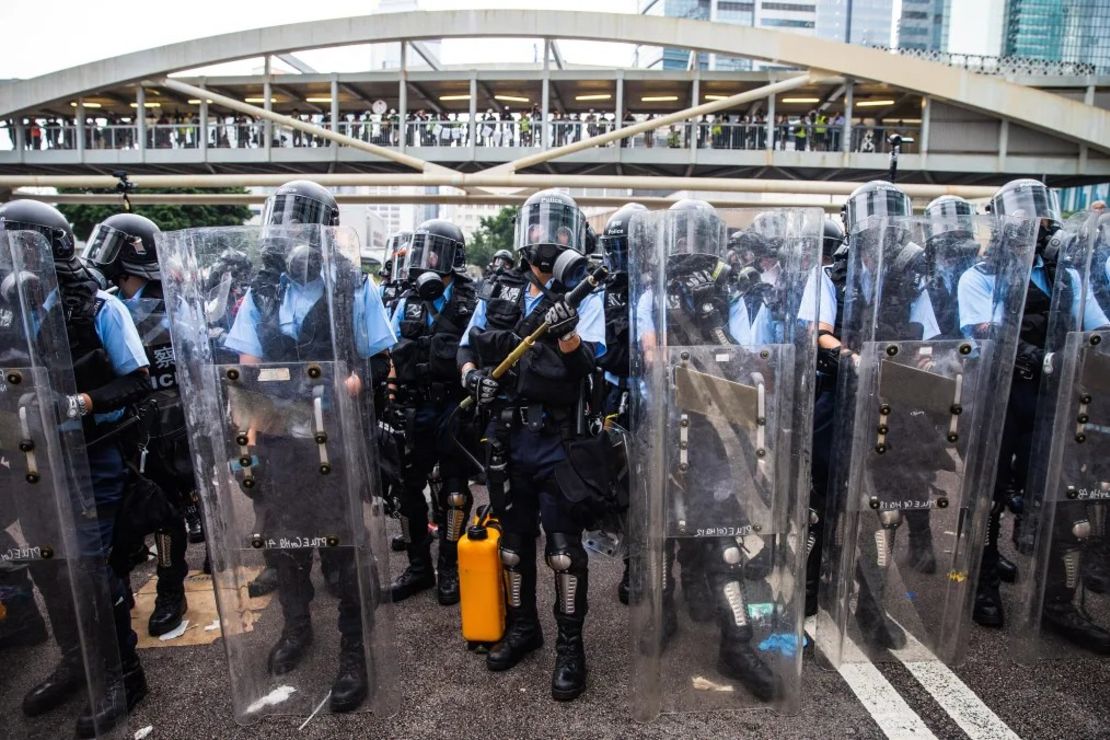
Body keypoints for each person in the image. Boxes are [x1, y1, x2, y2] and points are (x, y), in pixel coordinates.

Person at [220, 180, 396, 711]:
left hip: (334, 439)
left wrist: (340, 391)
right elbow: (244, 370)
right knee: (284, 547)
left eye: (299, 224)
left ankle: (353, 651)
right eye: (281, 223)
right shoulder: (262, 290)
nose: (287, 234)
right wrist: (249, 430)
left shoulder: (353, 287)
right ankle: (296, 629)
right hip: (278, 439)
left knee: (344, 552)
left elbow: (378, 364)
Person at [0, 200, 152, 736]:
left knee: (89, 568)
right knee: (45, 562)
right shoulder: (7, 309)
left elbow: (138, 381)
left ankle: (122, 673)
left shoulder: (99, 308)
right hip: (26, 459)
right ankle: (75, 662)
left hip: (90, 455)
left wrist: (79, 402)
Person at [457, 189, 606, 701]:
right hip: (506, 436)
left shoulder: (586, 291)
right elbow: (466, 347)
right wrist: (472, 376)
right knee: (514, 548)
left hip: (558, 440)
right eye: (541, 228)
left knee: (563, 552)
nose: (549, 240)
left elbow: (591, 370)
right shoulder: (498, 289)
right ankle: (525, 628)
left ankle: (571, 648)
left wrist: (567, 337)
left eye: (560, 230)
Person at [969, 179, 1110, 641]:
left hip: (1056, 399)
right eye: (1028, 220)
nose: (1039, 227)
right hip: (1001, 395)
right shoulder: (980, 277)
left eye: (1044, 219)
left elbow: (1097, 328)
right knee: (988, 493)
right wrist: (1043, 357)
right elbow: (987, 337)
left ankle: (1058, 604)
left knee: (1062, 498)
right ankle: (982, 584)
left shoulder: (1066, 276)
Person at [81, 212, 201, 637]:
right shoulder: (101, 301)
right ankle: (118, 593)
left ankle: (171, 589)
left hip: (167, 429)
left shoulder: (172, 306)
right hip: (119, 432)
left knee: (165, 515)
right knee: (118, 519)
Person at [387, 219, 478, 605]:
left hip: (454, 409)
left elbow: (478, 352)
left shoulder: (471, 303)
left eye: (436, 250)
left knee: (455, 493)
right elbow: (390, 350)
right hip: (413, 408)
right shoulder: (406, 300)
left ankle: (451, 569)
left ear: (453, 258)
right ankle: (419, 568)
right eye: (423, 249)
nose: (428, 259)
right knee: (407, 489)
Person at [595, 202, 646, 603]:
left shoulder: (663, 287)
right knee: (622, 484)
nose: (624, 258)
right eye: (619, 249)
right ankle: (634, 563)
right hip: (617, 393)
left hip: (657, 391)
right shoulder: (602, 292)